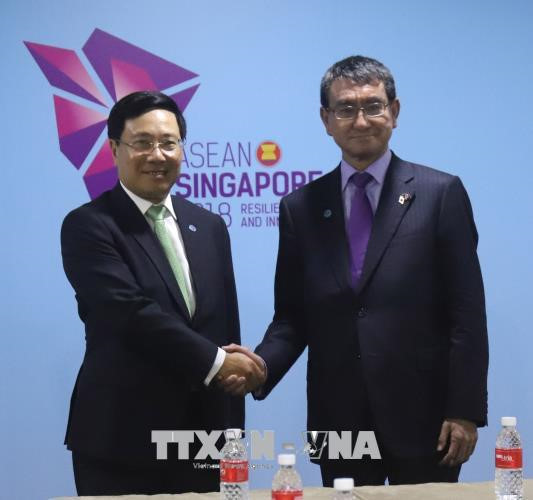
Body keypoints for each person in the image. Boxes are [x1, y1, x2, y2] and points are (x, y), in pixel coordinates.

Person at [224, 55, 488, 486]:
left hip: (427, 417)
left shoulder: (441, 194)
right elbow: (292, 316)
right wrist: (262, 366)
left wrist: (464, 410)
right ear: (326, 120)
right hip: (338, 419)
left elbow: (467, 314)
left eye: (373, 106)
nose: (360, 120)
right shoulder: (300, 208)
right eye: (346, 108)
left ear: (394, 112)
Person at [60, 90, 265, 495]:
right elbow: (129, 313)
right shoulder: (89, 225)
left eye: (169, 143)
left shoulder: (208, 225)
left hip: (205, 438)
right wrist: (220, 363)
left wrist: (233, 428)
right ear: (115, 149)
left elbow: (224, 324)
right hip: (121, 439)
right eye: (143, 143)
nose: (157, 155)